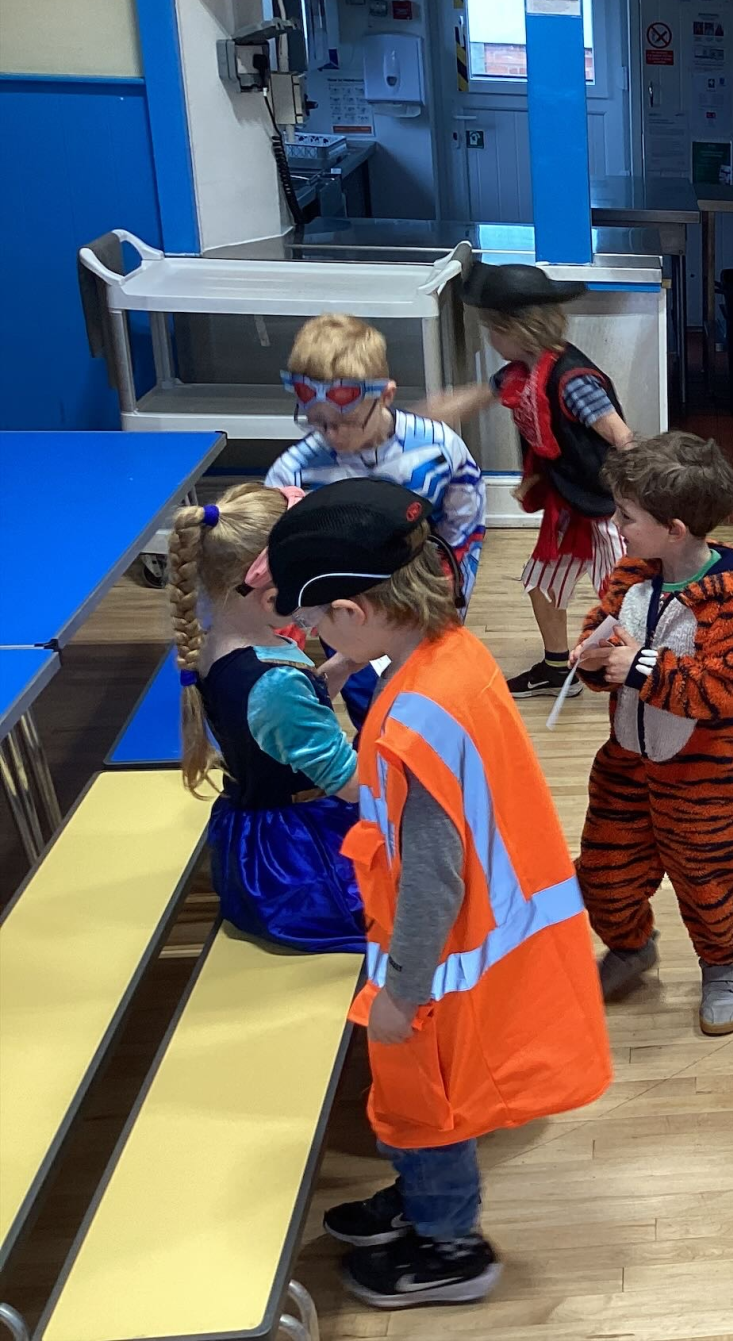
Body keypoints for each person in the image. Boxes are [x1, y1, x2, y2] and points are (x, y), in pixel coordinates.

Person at [267, 478, 612, 1308]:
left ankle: (450, 1245)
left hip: (437, 964)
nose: (313, 640)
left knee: (426, 1107)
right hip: (472, 938)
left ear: (353, 609)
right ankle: (421, 1194)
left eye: (318, 624)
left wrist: (401, 992)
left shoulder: (415, 721)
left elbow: (432, 873)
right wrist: (351, 660)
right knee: (418, 1105)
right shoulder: (451, 652)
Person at [570, 432, 733, 1033]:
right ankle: (631, 946)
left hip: (710, 779)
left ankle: (722, 966)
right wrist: (594, 661)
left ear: (674, 529)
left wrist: (639, 665)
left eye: (627, 517)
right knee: (603, 873)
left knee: (710, 881)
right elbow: (602, 629)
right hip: (626, 764)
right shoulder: (632, 575)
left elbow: (723, 690)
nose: (616, 526)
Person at [420, 262, 635, 697]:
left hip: (606, 508)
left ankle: (647, 670)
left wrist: (639, 501)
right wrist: (409, 418)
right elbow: (476, 397)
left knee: (626, 595)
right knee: (543, 585)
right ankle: (557, 670)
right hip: (569, 506)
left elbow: (623, 438)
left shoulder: (572, 381)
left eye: (492, 330)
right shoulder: (523, 371)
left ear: (516, 329)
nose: (490, 339)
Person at [168, 481, 362, 953]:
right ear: (274, 598)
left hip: (258, 831)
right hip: (299, 859)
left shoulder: (219, 642)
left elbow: (275, 729)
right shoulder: (274, 683)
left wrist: (340, 667)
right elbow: (353, 786)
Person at [266, 313, 485, 729]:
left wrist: (444, 613)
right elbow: (283, 572)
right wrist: (289, 653)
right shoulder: (293, 473)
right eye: (319, 423)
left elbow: (463, 534)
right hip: (346, 618)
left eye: (347, 422)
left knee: (424, 710)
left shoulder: (440, 450)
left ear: (385, 396)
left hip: (420, 607)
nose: (333, 434)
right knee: (372, 714)